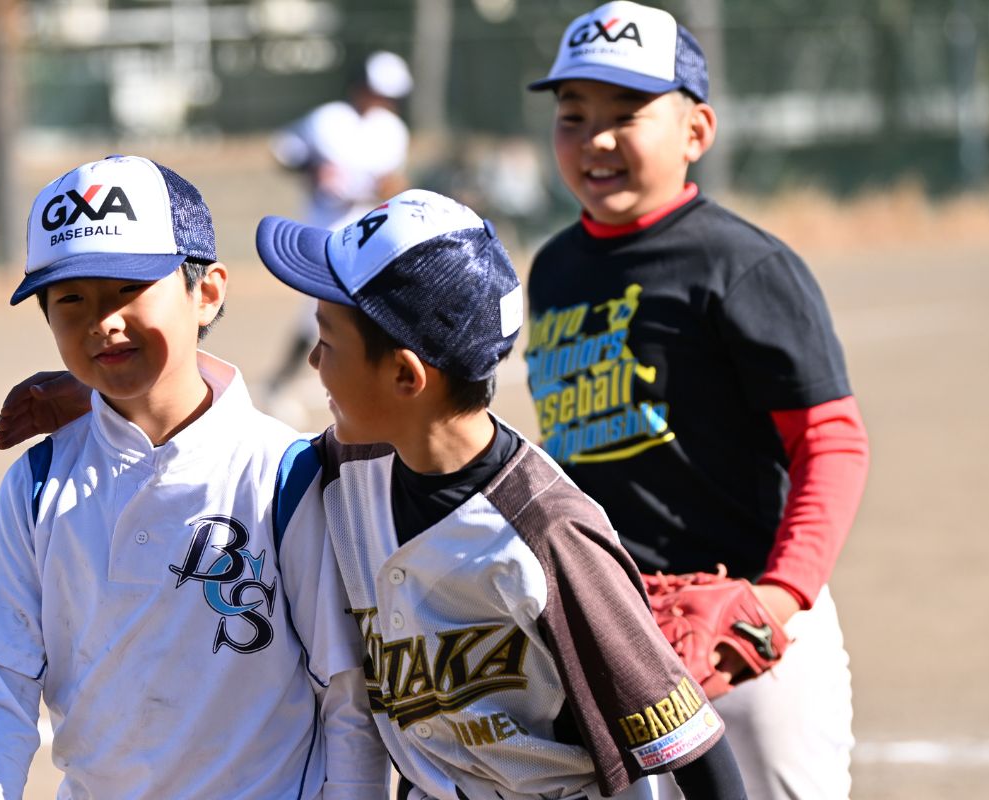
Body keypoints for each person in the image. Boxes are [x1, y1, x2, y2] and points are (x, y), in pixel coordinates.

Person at [254, 189, 748, 800]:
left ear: (407, 375)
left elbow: (692, 745)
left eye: (328, 343)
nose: (311, 358)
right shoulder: (347, 470)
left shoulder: (546, 530)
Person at [0, 155, 385, 799]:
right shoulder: (39, 484)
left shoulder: (282, 476)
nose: (104, 321)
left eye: (128, 289)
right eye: (71, 299)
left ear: (206, 291)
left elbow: (348, 694)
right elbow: (0, 680)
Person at [524, 4, 871, 798]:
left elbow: (831, 441)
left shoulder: (740, 264)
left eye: (627, 114)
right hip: (615, 624)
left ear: (696, 131)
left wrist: (777, 600)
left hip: (746, 624)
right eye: (573, 116)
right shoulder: (555, 269)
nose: (596, 139)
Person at [262, 50, 415, 424]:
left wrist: (389, 187)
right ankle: (280, 383)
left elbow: (391, 182)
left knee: (376, 308)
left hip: (371, 234)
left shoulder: (392, 130)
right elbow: (282, 151)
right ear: (360, 86)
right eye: (377, 91)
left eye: (389, 95)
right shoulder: (329, 120)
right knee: (316, 317)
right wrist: (310, 169)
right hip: (326, 232)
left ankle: (370, 382)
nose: (382, 100)